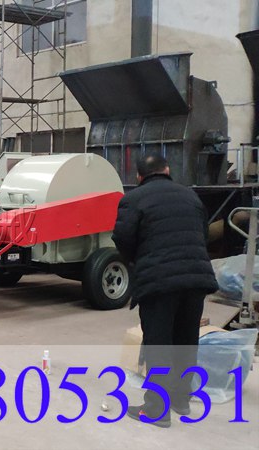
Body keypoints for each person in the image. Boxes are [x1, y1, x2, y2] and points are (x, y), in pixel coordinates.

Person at [112, 154, 218, 428]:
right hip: (195, 279)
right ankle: (181, 400)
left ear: (139, 176)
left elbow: (122, 238)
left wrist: (138, 260)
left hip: (159, 282)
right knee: (186, 340)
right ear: (167, 170)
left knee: (158, 343)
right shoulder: (191, 196)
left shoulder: (134, 199)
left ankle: (156, 409)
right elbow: (203, 234)